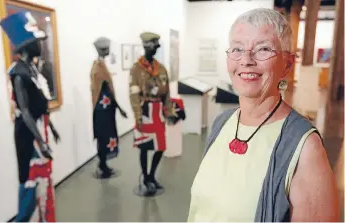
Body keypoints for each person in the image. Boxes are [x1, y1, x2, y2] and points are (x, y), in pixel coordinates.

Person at [188, 8, 340, 222]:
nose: (246, 60)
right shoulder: (222, 123)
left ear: (287, 64)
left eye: (263, 49)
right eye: (237, 49)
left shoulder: (304, 148)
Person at [0, 12, 60, 221]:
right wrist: (40, 141)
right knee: (29, 184)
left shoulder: (32, 69)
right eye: (37, 42)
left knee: (42, 182)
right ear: (26, 46)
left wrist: (50, 128)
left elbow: (39, 104)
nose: (41, 45)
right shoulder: (19, 73)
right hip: (28, 136)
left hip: (38, 130)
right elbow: (25, 111)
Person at [129, 32, 177, 196]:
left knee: (160, 146)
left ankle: (151, 175)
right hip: (144, 110)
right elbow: (134, 94)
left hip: (157, 112)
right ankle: (145, 177)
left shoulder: (161, 69)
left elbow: (167, 94)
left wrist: (169, 111)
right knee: (144, 147)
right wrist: (137, 116)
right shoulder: (136, 69)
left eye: (157, 45)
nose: (156, 48)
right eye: (154, 45)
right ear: (146, 46)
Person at [91, 36, 127, 179]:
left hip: (105, 110)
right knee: (103, 137)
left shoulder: (100, 66)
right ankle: (102, 165)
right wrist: (119, 107)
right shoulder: (98, 68)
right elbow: (106, 91)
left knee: (104, 137)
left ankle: (103, 165)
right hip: (102, 112)